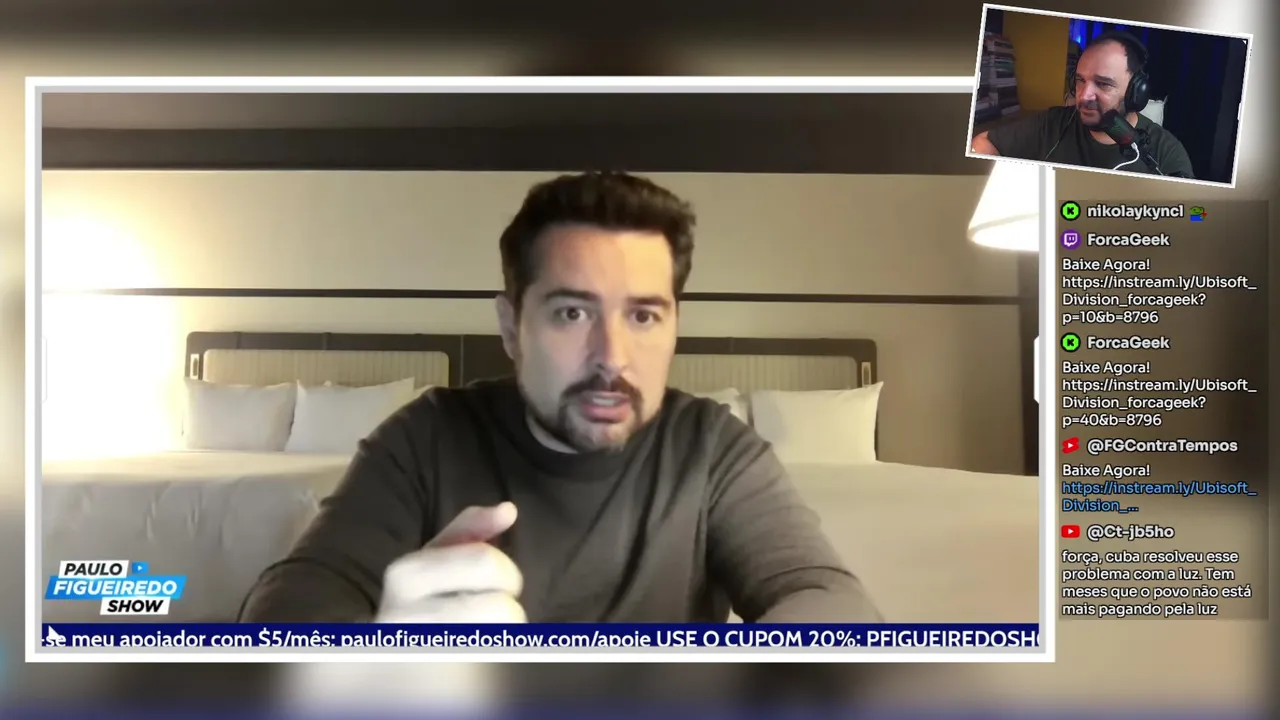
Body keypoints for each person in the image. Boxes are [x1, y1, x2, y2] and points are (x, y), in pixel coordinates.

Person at [238, 171, 881, 624]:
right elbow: (295, 597)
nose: (612, 357)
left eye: (644, 316)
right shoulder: (427, 435)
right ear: (510, 327)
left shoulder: (712, 448)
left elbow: (824, 595)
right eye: (572, 313)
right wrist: (375, 656)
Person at [971, 30, 1195, 179]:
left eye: (1103, 84)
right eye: (1080, 80)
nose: (1084, 95)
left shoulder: (1166, 154)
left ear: (1136, 93)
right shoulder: (1052, 123)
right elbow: (983, 143)